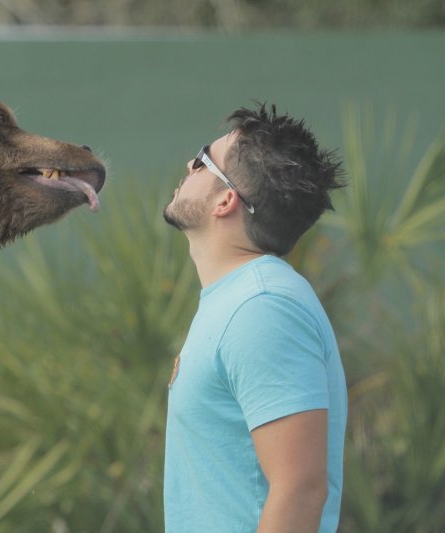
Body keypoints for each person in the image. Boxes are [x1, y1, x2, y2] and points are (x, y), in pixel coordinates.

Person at [162, 103, 347, 533]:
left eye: (204, 160)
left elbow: (300, 489)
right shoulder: (242, 299)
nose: (190, 164)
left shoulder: (261, 308)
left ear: (226, 200)